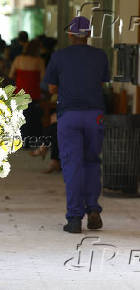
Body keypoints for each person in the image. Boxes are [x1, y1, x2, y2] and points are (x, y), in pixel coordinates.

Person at [44, 16, 110, 233]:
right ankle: (93, 210)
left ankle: (74, 219)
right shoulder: (101, 56)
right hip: (95, 115)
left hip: (69, 116)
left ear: (70, 35)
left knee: (73, 165)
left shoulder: (59, 56)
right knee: (92, 161)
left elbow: (51, 88)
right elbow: (101, 82)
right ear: (89, 35)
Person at [9, 39, 45, 145]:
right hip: (34, 92)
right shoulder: (39, 61)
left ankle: (23, 140)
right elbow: (43, 78)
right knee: (34, 117)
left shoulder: (18, 59)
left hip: (20, 92)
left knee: (22, 116)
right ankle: (34, 139)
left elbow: (11, 75)